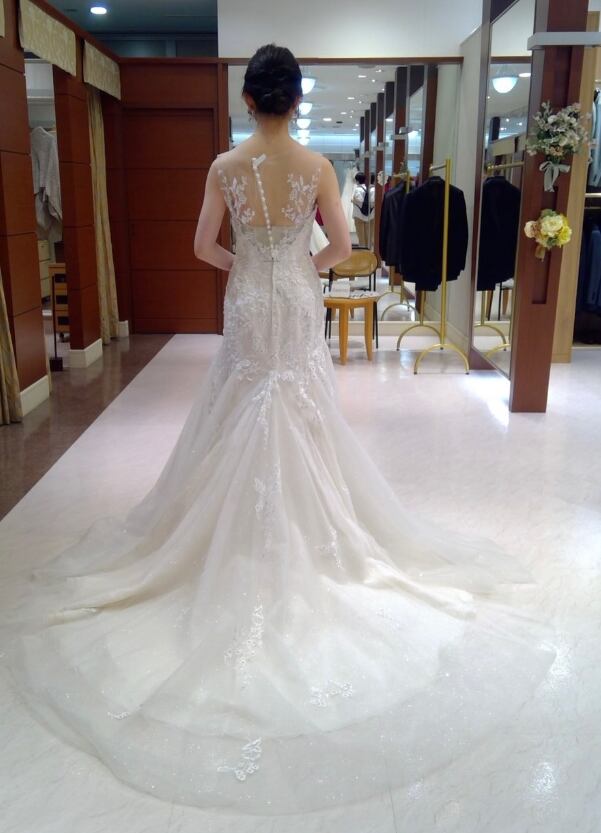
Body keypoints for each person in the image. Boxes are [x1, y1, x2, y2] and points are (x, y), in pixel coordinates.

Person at [0, 43, 554, 817]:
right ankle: (310, 530)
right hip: (293, 298)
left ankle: (224, 535)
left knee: (241, 398)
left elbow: (201, 245)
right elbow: (342, 246)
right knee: (299, 404)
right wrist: (298, 267)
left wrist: (247, 265)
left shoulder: (224, 166)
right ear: (294, 100)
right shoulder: (316, 167)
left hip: (248, 302)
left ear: (247, 100)